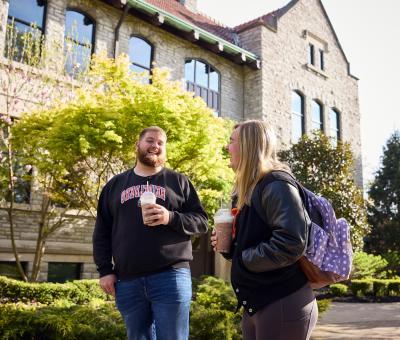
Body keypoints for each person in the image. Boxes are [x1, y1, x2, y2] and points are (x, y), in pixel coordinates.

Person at [93, 126, 208, 340]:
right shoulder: (114, 185)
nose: (155, 145)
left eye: (160, 143)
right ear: (137, 145)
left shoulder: (179, 182)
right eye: (150, 140)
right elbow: (102, 231)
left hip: (171, 277)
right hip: (127, 280)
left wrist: (170, 217)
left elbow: (201, 222)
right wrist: (104, 270)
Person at [211, 120, 318, 340]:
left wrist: (243, 259)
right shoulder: (248, 189)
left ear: (248, 145)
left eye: (231, 141)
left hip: (282, 300)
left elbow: (291, 242)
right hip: (258, 303)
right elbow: (252, 240)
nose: (227, 147)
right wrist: (229, 246)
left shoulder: (276, 184)